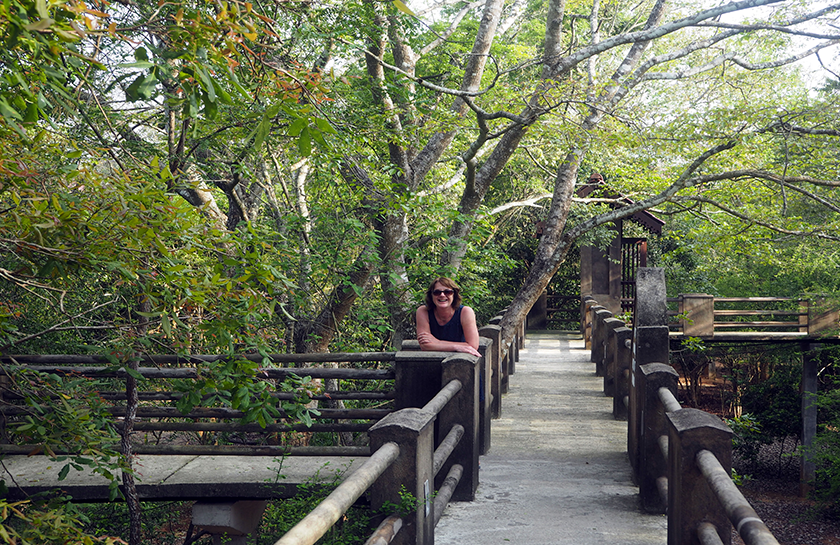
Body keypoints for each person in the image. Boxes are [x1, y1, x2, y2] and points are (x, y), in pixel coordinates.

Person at [416, 277, 481, 357]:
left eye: (448, 292)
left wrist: (437, 342)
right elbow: (425, 345)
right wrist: (457, 347)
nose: (442, 295)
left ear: (454, 294)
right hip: (431, 360)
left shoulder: (465, 312)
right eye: (437, 292)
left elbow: (473, 346)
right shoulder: (423, 311)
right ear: (431, 295)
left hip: (461, 360)